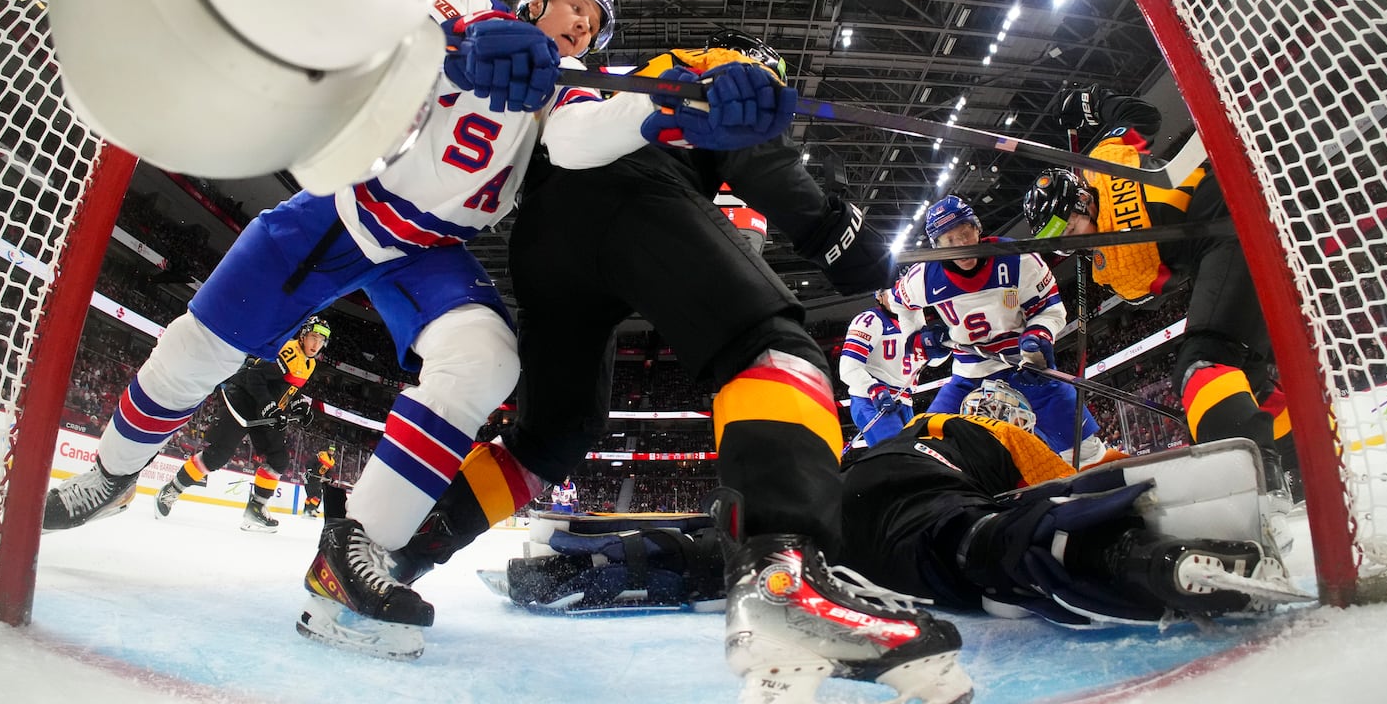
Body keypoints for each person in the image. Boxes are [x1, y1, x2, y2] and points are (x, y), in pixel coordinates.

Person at [41, 0, 666, 659]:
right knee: (199, 348)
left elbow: (586, 131)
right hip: (342, 208)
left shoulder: (569, 86)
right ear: (538, 0)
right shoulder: (472, 9)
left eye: (593, 24)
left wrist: (661, 111)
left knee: (485, 359)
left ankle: (349, 556)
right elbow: (406, 22)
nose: (582, 25)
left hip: (429, 249)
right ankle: (112, 470)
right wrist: (472, 43)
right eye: (576, 8)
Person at [386, 29, 974, 704]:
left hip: (546, 238)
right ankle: (784, 585)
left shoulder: (625, 79)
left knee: (549, 439)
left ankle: (400, 551)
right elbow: (760, 155)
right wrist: (840, 240)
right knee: (772, 349)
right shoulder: (717, 67)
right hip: (628, 195)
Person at [498, 378, 1296, 627]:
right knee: (971, 543)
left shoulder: (914, 424)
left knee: (739, 550)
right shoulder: (1001, 438)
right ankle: (1131, 559)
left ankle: (589, 561)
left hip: (840, 497)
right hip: (914, 509)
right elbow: (1066, 480)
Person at [1021, 84, 1296, 498]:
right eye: (1062, 244)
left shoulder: (1107, 163)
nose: (1074, 245)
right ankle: (1299, 462)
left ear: (1080, 201)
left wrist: (1091, 102)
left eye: (1070, 231)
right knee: (1246, 376)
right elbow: (1147, 294)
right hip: (1229, 245)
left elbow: (1142, 116)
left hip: (1231, 210)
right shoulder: (1109, 266)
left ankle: (1249, 479)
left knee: (1203, 360)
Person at [894, 195, 1110, 464]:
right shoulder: (923, 277)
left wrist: (1039, 334)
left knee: (1084, 450)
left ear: (977, 227)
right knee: (926, 448)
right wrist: (918, 337)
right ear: (936, 245)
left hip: (1025, 366)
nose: (962, 244)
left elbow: (1051, 308)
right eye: (950, 240)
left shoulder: (1017, 259)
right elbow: (899, 302)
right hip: (968, 372)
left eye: (965, 233)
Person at [151, 316, 331, 532]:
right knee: (216, 457)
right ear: (303, 336)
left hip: (263, 411)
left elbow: (285, 387)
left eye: (321, 341)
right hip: (242, 402)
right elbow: (255, 375)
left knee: (279, 459)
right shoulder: (290, 351)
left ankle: (255, 509)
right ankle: (171, 490)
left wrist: (299, 404)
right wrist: (268, 405)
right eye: (313, 337)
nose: (316, 344)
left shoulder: (308, 362)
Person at [839, 287, 939, 447]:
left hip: (904, 401)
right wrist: (873, 389)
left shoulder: (915, 319)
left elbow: (926, 362)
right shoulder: (869, 320)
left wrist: (941, 349)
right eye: (890, 292)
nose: (896, 297)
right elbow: (848, 368)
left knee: (913, 459)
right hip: (871, 401)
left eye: (900, 291)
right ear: (879, 296)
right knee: (897, 456)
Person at [302, 446, 336, 517]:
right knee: (317, 495)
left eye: (332, 450)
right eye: (330, 449)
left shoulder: (332, 461)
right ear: (328, 449)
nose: (331, 451)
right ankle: (310, 510)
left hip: (317, 478)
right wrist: (309, 469)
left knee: (311, 495)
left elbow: (328, 472)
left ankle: (306, 510)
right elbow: (311, 461)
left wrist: (330, 478)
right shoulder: (322, 454)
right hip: (311, 476)